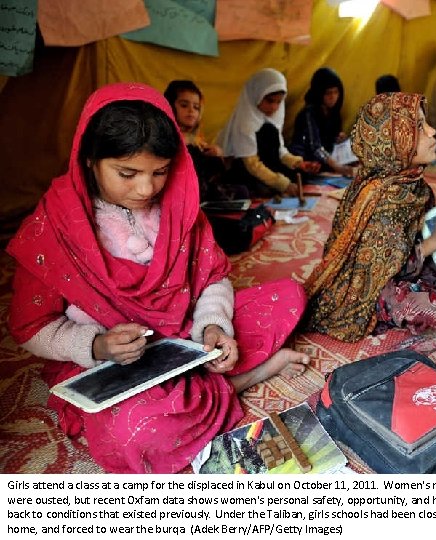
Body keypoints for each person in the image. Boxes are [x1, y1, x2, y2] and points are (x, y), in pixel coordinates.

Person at [6, 82, 310, 474]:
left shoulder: (180, 211)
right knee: (135, 434)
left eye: (160, 172)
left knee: (289, 296)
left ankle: (200, 385)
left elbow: (213, 277)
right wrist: (97, 345)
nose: (146, 188)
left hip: (185, 335)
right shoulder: (53, 227)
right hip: (110, 361)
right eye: (127, 173)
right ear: (88, 161)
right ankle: (238, 382)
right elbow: (31, 327)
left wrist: (213, 327)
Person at [303, 92, 436, 343]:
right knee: (430, 308)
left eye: (425, 122)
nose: (432, 131)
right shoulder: (383, 198)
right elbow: (384, 271)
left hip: (405, 265)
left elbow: (416, 233)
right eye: (418, 126)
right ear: (394, 140)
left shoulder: (410, 181)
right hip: (369, 288)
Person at [216, 68, 320, 197]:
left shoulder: (272, 119)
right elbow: (252, 165)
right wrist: (283, 184)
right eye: (270, 101)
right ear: (256, 95)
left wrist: (299, 163)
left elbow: (280, 152)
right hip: (247, 171)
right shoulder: (244, 122)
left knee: (302, 175)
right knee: (255, 190)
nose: (274, 107)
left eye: (279, 102)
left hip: (267, 168)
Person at [163, 80, 247, 201]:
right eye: (184, 105)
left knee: (241, 187)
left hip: (202, 188)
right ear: (170, 106)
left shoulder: (197, 138)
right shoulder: (164, 134)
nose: (191, 111)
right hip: (180, 191)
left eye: (196, 107)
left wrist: (216, 153)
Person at [289, 67, 353, 177]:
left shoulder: (333, 112)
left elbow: (329, 140)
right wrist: (337, 167)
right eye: (328, 93)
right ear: (319, 93)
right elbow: (315, 147)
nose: (333, 97)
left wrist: (339, 139)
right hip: (306, 160)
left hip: (326, 160)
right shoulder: (309, 113)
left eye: (336, 92)